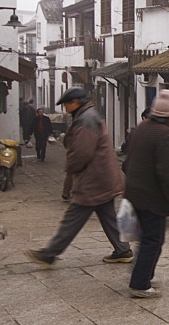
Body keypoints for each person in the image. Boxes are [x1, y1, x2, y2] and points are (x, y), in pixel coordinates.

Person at [25, 88, 133, 266]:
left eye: (67, 104)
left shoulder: (85, 120)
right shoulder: (87, 116)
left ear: (75, 103)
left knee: (73, 218)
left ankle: (50, 253)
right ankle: (123, 250)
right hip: (102, 176)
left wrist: (71, 169)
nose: (65, 107)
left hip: (93, 178)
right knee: (108, 216)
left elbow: (83, 152)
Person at [124, 90, 169, 298]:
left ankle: (143, 275)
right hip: (152, 197)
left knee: (147, 238)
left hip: (134, 193)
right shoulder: (166, 135)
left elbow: (127, 161)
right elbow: (167, 173)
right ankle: (139, 283)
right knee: (153, 240)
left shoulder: (142, 128)